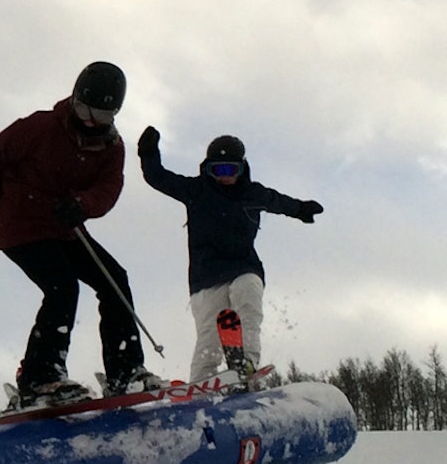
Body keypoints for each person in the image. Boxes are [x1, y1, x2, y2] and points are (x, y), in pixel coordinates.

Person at [0, 61, 164, 407]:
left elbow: (109, 188)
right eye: (83, 109)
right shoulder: (41, 126)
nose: (89, 120)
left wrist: (82, 204)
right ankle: (40, 376)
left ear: (114, 114)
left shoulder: (111, 147)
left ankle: (125, 372)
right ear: (74, 99)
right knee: (62, 287)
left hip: (66, 228)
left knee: (115, 279)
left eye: (100, 115)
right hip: (21, 224)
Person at [137, 127, 323, 382]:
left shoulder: (253, 194)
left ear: (242, 168)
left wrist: (301, 209)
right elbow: (158, 178)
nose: (224, 177)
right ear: (207, 169)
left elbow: (279, 202)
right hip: (206, 276)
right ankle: (201, 384)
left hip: (243, 267)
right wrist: (148, 153)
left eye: (230, 170)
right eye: (218, 170)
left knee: (248, 297)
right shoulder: (196, 190)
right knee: (209, 339)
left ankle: (247, 362)